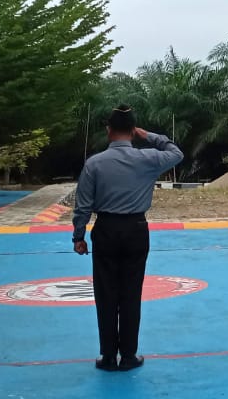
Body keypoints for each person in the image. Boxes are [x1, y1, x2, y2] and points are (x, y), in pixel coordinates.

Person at [72, 105, 184, 371]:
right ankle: (129, 355)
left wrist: (79, 235)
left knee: (106, 293)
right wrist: (151, 136)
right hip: (135, 229)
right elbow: (176, 153)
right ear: (133, 132)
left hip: (106, 230)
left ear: (109, 130)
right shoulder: (147, 159)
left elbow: (83, 204)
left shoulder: (95, 163)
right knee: (131, 294)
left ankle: (108, 355)